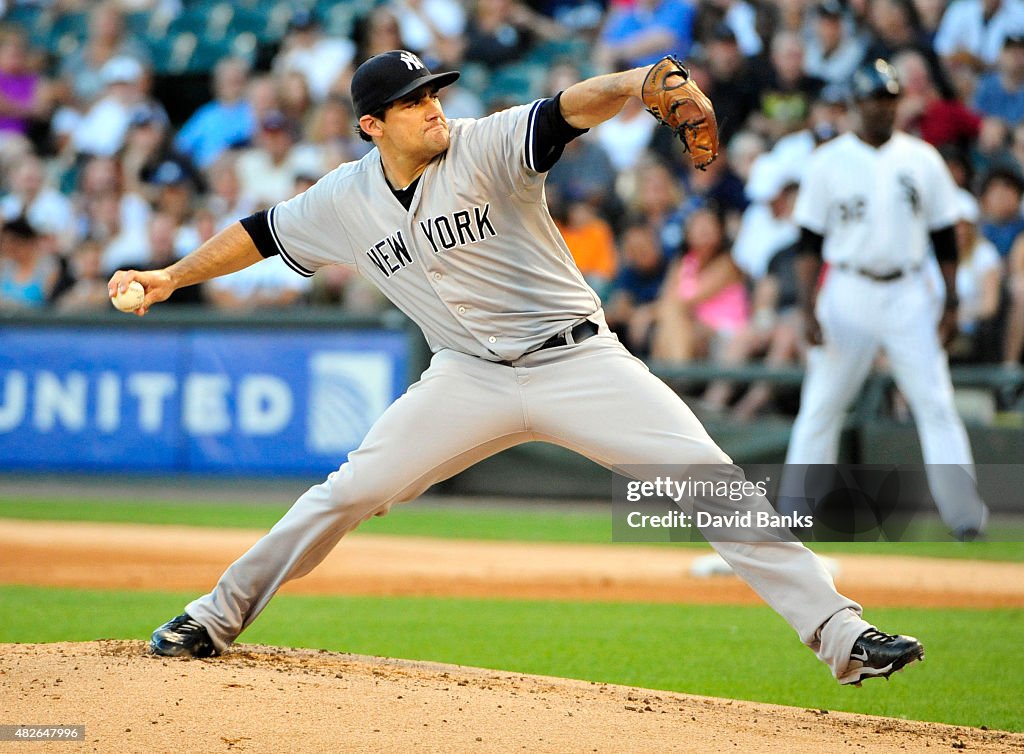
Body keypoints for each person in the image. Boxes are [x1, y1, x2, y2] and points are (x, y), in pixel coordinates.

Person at [111, 49, 924, 686]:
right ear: (371, 126)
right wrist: (171, 277)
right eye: (413, 102)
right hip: (466, 378)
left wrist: (643, 82)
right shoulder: (342, 199)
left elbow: (572, 109)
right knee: (350, 491)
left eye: (435, 94)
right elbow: (259, 232)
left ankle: (844, 636)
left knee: (711, 483)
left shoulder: (485, 144)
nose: (434, 108)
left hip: (579, 362)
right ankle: (213, 617)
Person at [783, 59, 990, 542]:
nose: (882, 106)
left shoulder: (922, 158)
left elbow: (943, 235)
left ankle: (965, 518)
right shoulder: (828, 159)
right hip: (848, 289)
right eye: (875, 98)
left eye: (889, 98)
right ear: (856, 103)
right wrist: (807, 307)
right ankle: (795, 513)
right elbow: (809, 244)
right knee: (821, 404)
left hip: (907, 292)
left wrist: (952, 302)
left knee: (936, 403)